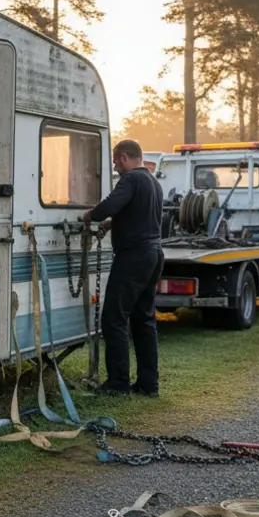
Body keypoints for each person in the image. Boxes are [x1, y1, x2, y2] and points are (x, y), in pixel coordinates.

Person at [79, 139, 164, 396]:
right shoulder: (153, 183)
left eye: (116, 160)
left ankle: (118, 383)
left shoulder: (130, 179)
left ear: (126, 157)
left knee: (114, 318)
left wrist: (91, 216)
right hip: (154, 254)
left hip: (134, 257)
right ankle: (148, 385)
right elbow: (139, 215)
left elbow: (111, 204)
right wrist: (112, 225)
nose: (116, 166)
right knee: (144, 320)